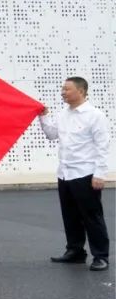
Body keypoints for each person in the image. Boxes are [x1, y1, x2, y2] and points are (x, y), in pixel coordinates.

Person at [40, 77, 110, 271]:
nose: (63, 92)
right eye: (62, 89)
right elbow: (52, 134)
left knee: (92, 217)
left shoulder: (95, 115)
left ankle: (101, 256)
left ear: (81, 91)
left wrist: (100, 174)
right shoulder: (63, 114)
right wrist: (44, 117)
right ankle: (75, 251)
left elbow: (102, 146)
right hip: (65, 173)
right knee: (70, 216)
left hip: (85, 174)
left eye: (67, 89)